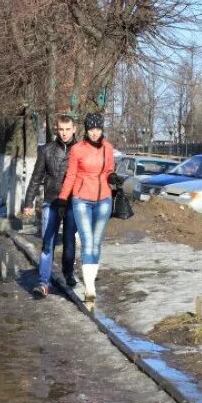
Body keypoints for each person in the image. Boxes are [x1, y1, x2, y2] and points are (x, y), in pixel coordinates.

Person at [57, 113, 115, 301]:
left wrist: (114, 178)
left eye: (98, 129)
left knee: (97, 242)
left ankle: (90, 278)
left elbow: (109, 171)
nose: (95, 133)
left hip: (104, 199)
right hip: (81, 199)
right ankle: (89, 288)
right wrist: (63, 198)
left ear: (102, 129)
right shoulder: (77, 149)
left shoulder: (108, 148)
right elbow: (71, 176)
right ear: (86, 129)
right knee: (87, 241)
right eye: (91, 129)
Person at [22, 114, 79, 297]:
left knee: (69, 243)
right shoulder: (46, 150)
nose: (64, 133)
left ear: (74, 129)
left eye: (67, 129)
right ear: (56, 129)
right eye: (61, 130)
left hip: (72, 202)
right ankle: (43, 282)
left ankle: (68, 273)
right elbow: (36, 177)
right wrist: (28, 202)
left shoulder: (80, 150)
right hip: (51, 201)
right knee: (48, 243)